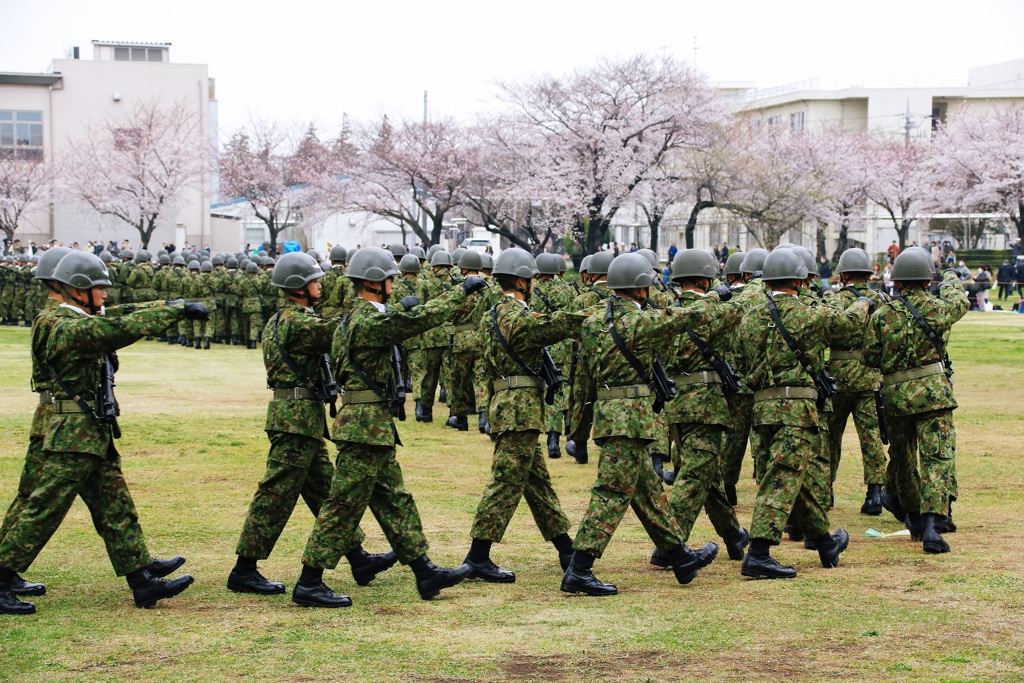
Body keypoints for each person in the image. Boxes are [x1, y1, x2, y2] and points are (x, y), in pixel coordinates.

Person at [0, 251, 207, 615]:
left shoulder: (72, 315)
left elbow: (122, 313)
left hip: (83, 428)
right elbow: (116, 329)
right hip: (71, 431)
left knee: (114, 504)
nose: (106, 295)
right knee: (43, 506)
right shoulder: (60, 324)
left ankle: (141, 577)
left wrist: (170, 303)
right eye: (100, 288)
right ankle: (1, 578)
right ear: (78, 289)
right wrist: (173, 312)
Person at [295, 247, 488, 607]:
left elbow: (399, 319)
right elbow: (416, 322)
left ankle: (424, 571)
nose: (393, 285)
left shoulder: (356, 318)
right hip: (364, 428)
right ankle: (309, 580)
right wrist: (459, 291)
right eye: (389, 280)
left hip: (371, 427)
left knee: (395, 502)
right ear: (372, 282)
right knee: (342, 506)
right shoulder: (367, 321)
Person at [227, 252, 396, 597]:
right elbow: (343, 332)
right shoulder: (298, 322)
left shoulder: (281, 319)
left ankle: (358, 557)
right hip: (296, 420)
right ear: (298, 287)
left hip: (300, 419)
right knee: (276, 495)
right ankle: (244, 569)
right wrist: (380, 316)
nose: (320, 285)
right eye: (314, 281)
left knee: (324, 490)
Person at [562, 253, 729, 596]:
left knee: (649, 493)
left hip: (612, 417)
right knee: (611, 493)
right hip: (630, 418)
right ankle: (579, 568)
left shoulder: (594, 322)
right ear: (639, 290)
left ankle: (681, 557)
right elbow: (688, 316)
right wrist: (715, 296)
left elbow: (582, 383)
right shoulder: (638, 323)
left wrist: (577, 429)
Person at [736, 248, 872, 579]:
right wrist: (863, 301)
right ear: (799, 280)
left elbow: (740, 363)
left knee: (799, 478)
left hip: (763, 408)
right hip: (795, 409)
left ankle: (825, 542)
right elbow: (850, 326)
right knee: (783, 478)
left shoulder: (749, 317)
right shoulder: (807, 314)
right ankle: (759, 552)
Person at [463, 248, 582, 583]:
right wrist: (591, 311)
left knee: (538, 484)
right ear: (520, 280)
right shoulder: (515, 317)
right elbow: (551, 326)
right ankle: (477, 556)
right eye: (530, 279)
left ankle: (566, 550)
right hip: (519, 410)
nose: (533, 284)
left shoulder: (491, 315)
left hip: (510, 406)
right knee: (505, 483)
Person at [650, 250, 749, 567]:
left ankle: (734, 536)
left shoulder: (666, 312)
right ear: (706, 278)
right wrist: (722, 295)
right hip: (704, 403)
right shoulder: (712, 311)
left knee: (709, 475)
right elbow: (741, 312)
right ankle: (669, 544)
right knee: (694, 476)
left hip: (676, 402)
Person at [864, 249, 968, 554]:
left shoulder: (882, 315)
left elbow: (870, 358)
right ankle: (935, 524)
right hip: (934, 395)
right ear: (927, 280)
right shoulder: (938, 309)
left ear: (896, 282)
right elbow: (960, 301)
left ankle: (916, 520)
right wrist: (949, 278)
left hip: (896, 398)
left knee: (904, 460)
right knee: (937, 458)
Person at [826, 248, 889, 516]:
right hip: (870, 376)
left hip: (837, 377)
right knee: (871, 437)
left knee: (829, 437)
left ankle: (824, 490)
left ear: (843, 274)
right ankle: (874, 494)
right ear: (868, 273)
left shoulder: (834, 301)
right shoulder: (882, 300)